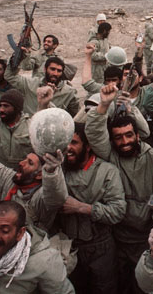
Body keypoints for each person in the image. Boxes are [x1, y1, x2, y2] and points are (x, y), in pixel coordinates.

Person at [85, 84, 153, 294]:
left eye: (129, 135)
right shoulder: (111, 155)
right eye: (118, 137)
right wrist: (104, 104)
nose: (125, 141)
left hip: (145, 239)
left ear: (137, 136)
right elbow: (94, 133)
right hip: (117, 238)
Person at [55, 122, 126, 293]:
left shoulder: (108, 171)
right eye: (66, 143)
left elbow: (118, 211)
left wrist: (81, 208)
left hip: (101, 248)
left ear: (87, 147)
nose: (68, 148)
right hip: (69, 247)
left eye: (74, 142)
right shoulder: (59, 170)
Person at [4, 56, 79, 116]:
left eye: (59, 71)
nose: (55, 73)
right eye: (52, 69)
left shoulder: (69, 92)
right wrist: (18, 56)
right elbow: (9, 76)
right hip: (30, 126)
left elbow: (75, 115)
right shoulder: (30, 84)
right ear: (45, 69)